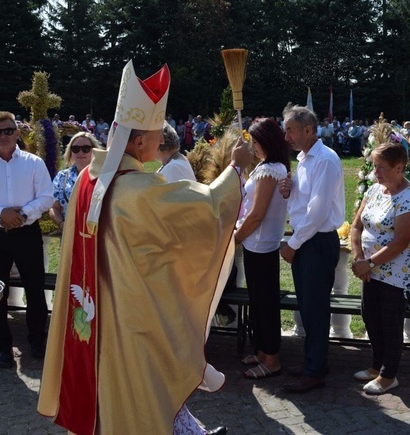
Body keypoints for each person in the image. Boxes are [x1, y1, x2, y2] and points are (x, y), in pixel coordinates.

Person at [38, 62, 246, 434]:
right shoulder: (137, 190)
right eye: (154, 136)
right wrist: (237, 171)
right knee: (145, 382)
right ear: (136, 143)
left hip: (95, 305)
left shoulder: (90, 178)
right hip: (129, 312)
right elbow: (207, 209)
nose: (159, 142)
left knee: (117, 385)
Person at [0, 111, 54, 368]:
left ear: (17, 132)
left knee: (34, 288)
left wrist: (23, 214)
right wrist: (0, 213)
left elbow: (46, 197)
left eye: (7, 130)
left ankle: (37, 338)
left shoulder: (33, 162)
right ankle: (1, 345)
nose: (2, 136)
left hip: (26, 233)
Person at [278, 103, 344, 393]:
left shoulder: (325, 160)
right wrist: (288, 193)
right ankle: (314, 362)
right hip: (308, 239)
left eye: (290, 130)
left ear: (308, 129)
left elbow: (317, 213)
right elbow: (304, 206)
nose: (286, 137)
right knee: (308, 306)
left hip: (316, 241)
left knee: (315, 308)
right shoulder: (306, 159)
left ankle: (315, 370)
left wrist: (293, 243)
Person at [349, 142, 410, 395]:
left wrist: (368, 263)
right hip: (369, 270)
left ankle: (389, 375)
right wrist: (359, 258)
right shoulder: (374, 191)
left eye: (381, 167)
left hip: (395, 274)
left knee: (390, 323)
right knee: (370, 316)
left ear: (399, 167)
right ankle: (377, 365)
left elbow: (401, 242)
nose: (375, 172)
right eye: (374, 166)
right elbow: (357, 226)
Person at [234, 117, 290, 380]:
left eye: (255, 142)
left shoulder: (271, 170)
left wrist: (236, 237)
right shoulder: (268, 167)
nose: (253, 147)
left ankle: (271, 357)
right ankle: (261, 349)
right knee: (257, 300)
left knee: (265, 303)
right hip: (256, 243)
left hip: (261, 243)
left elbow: (257, 214)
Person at [49, 131, 101, 231]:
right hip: (70, 235)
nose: (80, 152)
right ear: (70, 152)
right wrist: (61, 225)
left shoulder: (103, 176)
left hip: (96, 236)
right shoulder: (61, 177)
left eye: (86, 149)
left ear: (94, 150)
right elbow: (54, 208)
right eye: (75, 149)